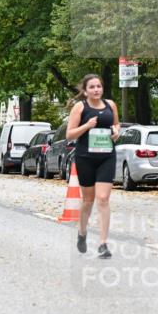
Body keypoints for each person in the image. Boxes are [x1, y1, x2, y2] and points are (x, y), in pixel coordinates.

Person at [65, 74, 120, 259]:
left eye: (99, 86)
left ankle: (103, 244)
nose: (96, 90)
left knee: (103, 198)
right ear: (85, 90)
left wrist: (116, 132)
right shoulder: (80, 107)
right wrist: (87, 126)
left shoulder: (111, 105)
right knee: (88, 200)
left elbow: (116, 125)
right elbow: (70, 135)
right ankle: (82, 232)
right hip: (85, 158)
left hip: (106, 157)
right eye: (92, 87)